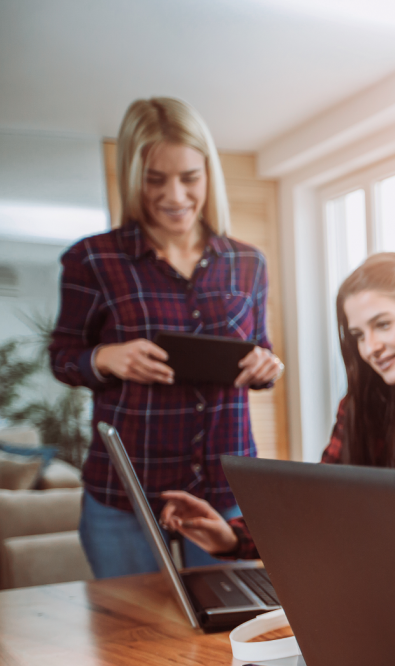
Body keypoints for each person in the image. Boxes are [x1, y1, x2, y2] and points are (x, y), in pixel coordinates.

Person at [160, 253, 395, 558]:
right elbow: (321, 507)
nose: (370, 347)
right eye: (358, 334)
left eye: (383, 324)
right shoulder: (359, 405)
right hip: (372, 584)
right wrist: (230, 535)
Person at [50, 96, 283, 578]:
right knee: (130, 643)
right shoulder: (92, 261)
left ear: (208, 175)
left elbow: (261, 352)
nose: (175, 195)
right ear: (134, 177)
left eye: (188, 178)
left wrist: (268, 367)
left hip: (225, 494)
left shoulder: (247, 262)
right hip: (126, 495)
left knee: (229, 636)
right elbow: (62, 357)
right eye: (156, 179)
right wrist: (106, 358)